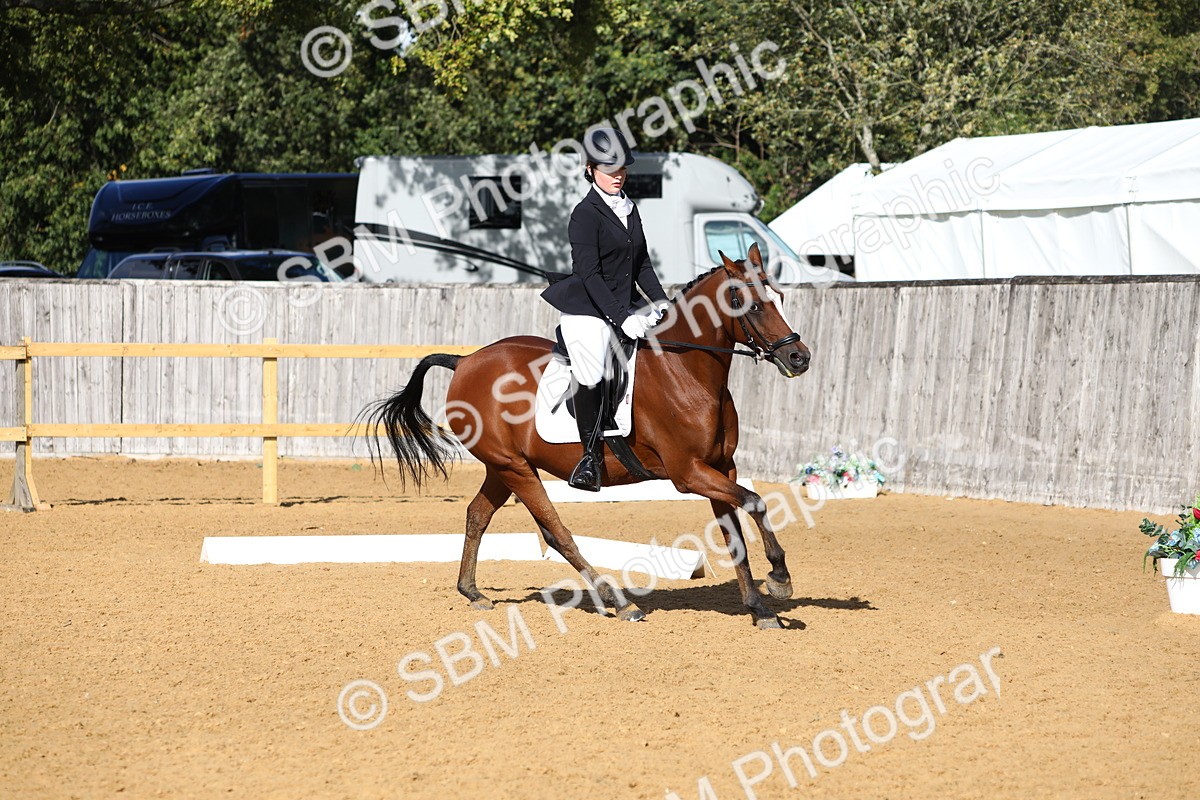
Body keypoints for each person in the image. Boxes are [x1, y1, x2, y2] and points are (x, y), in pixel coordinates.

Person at [541, 127, 671, 491]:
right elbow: (591, 275)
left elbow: (642, 263)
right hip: (588, 309)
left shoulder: (629, 208)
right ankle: (588, 459)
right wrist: (623, 317)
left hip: (625, 305)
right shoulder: (585, 214)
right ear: (589, 169)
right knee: (593, 362)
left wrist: (661, 303)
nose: (618, 175)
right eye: (608, 169)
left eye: (622, 169)